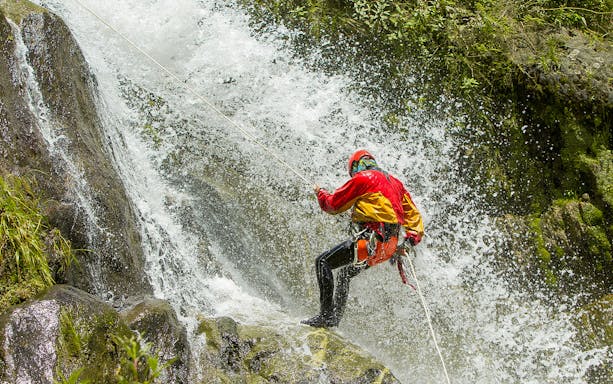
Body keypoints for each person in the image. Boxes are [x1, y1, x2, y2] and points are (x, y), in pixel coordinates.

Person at [301, 149, 424, 328]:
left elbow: (333, 205)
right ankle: (334, 320)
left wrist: (320, 193)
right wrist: (410, 241)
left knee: (322, 262)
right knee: (344, 274)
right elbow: (414, 216)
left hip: (371, 241)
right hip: (388, 248)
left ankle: (325, 316)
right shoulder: (396, 183)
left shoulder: (363, 178)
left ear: (355, 166)